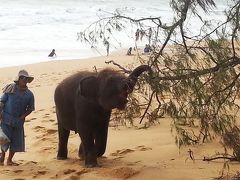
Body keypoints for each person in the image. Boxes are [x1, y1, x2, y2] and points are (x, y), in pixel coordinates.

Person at [0, 70, 35, 166]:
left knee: (16, 142)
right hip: (6, 118)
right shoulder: (10, 89)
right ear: (18, 79)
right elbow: (2, 102)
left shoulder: (30, 94)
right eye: (22, 78)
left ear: (28, 80)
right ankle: (2, 157)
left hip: (18, 122)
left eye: (26, 78)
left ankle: (9, 160)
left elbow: (30, 108)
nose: (24, 79)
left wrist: (23, 116)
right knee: (4, 140)